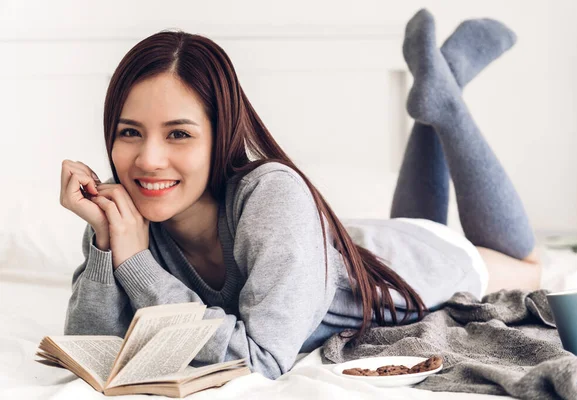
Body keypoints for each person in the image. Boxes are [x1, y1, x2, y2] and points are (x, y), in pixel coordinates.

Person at [60, 10, 541, 380]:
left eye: (179, 134)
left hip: (410, 262)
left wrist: (137, 263)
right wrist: (107, 245)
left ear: (221, 133)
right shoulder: (124, 215)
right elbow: (90, 347)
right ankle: (438, 91)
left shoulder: (272, 193)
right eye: (129, 132)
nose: (147, 160)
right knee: (414, 216)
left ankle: (448, 106)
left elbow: (261, 360)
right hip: (340, 248)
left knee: (528, 262)